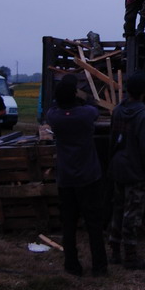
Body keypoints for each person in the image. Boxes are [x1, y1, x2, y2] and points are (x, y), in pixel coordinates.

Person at [46, 79, 107, 277]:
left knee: (69, 224)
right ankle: (99, 266)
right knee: (94, 224)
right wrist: (85, 97)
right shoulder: (85, 114)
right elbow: (94, 106)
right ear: (74, 96)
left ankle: (72, 264)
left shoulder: (54, 116)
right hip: (89, 177)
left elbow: (55, 106)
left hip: (66, 178)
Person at [107, 71, 145, 270]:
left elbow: (112, 140)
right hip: (135, 170)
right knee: (133, 213)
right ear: (144, 91)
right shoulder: (144, 117)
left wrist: (111, 163)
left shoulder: (118, 111)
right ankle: (130, 256)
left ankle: (114, 252)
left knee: (118, 209)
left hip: (118, 166)